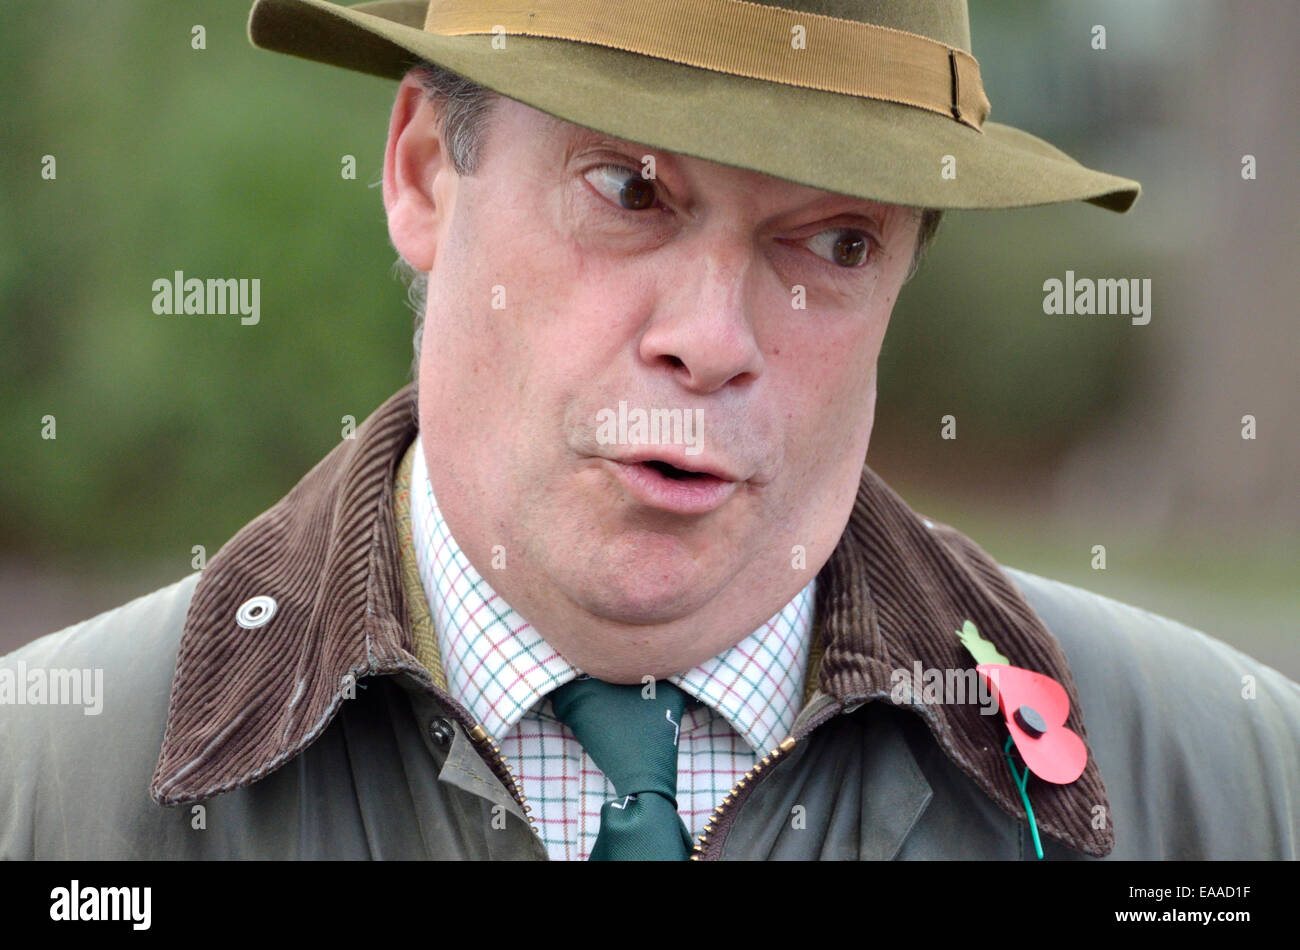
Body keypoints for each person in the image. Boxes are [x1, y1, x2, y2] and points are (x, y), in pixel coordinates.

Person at [2, 0, 1296, 861]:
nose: (715, 335)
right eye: (630, 190)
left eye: (835, 241)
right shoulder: (55, 793)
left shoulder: (1225, 788)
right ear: (420, 173)